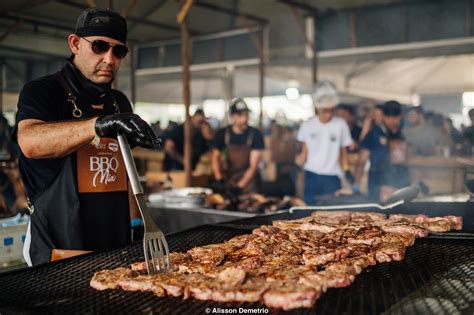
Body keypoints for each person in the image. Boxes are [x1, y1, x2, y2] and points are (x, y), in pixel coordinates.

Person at [14, 8, 159, 266]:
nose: (109, 58)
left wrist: (138, 222)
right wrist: (97, 125)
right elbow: (30, 143)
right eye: (100, 46)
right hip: (59, 248)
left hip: (114, 244)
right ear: (75, 43)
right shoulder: (43, 90)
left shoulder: (119, 102)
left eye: (118, 51)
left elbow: (125, 171)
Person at [296, 81, 353, 205]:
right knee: (310, 209)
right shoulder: (307, 126)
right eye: (325, 110)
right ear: (318, 108)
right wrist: (298, 166)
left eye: (331, 110)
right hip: (312, 174)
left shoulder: (341, 125)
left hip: (332, 176)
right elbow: (305, 151)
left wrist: (346, 170)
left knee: (332, 212)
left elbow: (342, 152)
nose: (329, 114)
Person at [354, 101, 410, 201]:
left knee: (400, 213)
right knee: (378, 213)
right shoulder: (374, 133)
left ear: (400, 116)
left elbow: (407, 157)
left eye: (395, 117)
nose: (392, 121)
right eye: (389, 117)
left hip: (400, 180)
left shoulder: (403, 133)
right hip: (378, 182)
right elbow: (361, 160)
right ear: (383, 116)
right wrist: (356, 185)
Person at [211, 98, 264, 194]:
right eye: (240, 115)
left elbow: (254, 165)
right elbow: (215, 157)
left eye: (246, 115)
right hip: (229, 178)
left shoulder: (255, 134)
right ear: (232, 117)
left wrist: (240, 186)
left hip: (249, 183)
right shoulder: (222, 134)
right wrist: (219, 178)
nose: (245, 119)